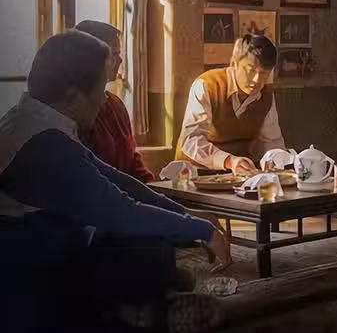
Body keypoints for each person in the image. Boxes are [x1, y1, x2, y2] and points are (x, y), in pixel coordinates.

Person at [0, 31, 230, 332]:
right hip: (26, 276)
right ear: (73, 97)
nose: (104, 99)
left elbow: (116, 180)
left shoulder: (33, 120)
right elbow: (120, 211)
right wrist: (202, 230)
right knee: (143, 243)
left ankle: (150, 305)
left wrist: (185, 214)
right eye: (102, 89)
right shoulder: (43, 145)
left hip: (47, 253)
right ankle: (139, 313)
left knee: (151, 244)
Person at [176, 34, 285, 175]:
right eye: (250, 70)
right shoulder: (207, 86)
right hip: (194, 172)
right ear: (234, 63)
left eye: (264, 73)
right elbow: (191, 140)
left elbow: (271, 142)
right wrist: (229, 161)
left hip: (238, 174)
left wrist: (274, 161)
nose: (256, 80)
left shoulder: (266, 95)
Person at [74, 19, 154, 183]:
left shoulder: (115, 104)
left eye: (120, 53)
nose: (121, 60)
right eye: (114, 54)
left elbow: (133, 161)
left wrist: (152, 189)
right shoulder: (75, 110)